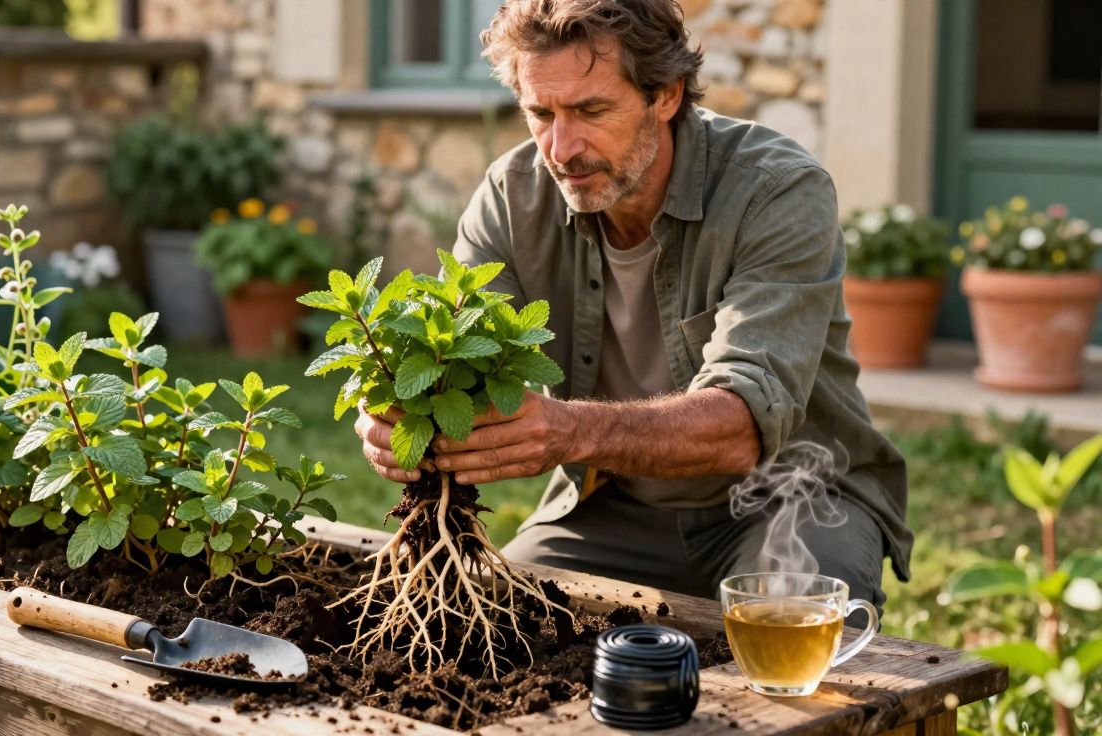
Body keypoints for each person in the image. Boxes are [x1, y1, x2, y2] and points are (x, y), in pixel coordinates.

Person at [354, 0, 911, 614]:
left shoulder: (775, 191)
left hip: (793, 497)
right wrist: (402, 417)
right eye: (540, 113)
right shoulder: (512, 197)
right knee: (495, 622)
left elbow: (742, 426)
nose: (561, 148)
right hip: (613, 508)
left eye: (591, 110)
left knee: (790, 636)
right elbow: (458, 359)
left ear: (665, 95)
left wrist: (570, 429)